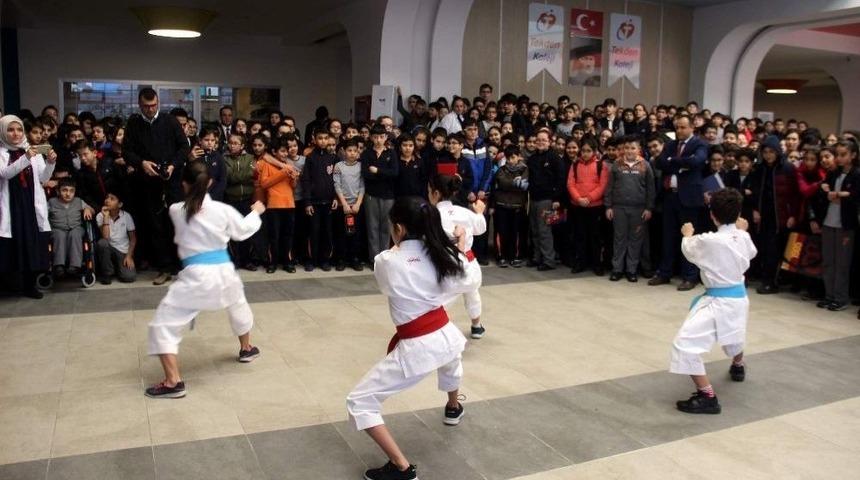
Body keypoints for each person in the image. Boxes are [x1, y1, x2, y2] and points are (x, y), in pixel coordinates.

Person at [346, 196, 481, 480]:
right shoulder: (446, 255)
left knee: (359, 401)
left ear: (398, 228)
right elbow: (466, 282)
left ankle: (401, 467)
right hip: (445, 333)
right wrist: (458, 245)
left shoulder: (387, 260)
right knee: (451, 362)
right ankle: (453, 406)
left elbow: (387, 282)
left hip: (419, 345)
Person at [144, 161, 265, 399]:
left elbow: (191, 206)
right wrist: (256, 211)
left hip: (197, 277)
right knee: (237, 304)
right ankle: (247, 348)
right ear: (210, 182)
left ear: (184, 184)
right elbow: (241, 231)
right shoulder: (222, 210)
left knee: (162, 326)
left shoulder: (175, 210)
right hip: (224, 272)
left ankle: (173, 382)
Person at [671, 188, 757, 414]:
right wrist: (741, 230)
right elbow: (751, 253)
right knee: (734, 332)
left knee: (685, 344)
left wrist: (687, 233)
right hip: (739, 296)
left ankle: (707, 395)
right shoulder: (743, 235)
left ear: (712, 214)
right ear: (738, 213)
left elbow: (688, 249)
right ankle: (738, 365)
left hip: (718, 300)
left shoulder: (709, 240)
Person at [123, 88, 190, 285]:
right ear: (139, 104)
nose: (151, 109)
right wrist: (142, 163)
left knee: (177, 225)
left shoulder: (170, 121)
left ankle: (183, 267)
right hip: (148, 185)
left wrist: (172, 165)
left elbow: (184, 147)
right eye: (146, 106)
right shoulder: (134, 123)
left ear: (158, 102)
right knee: (156, 228)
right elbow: (127, 151)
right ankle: (164, 268)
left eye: (153, 105)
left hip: (172, 183)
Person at [649, 116, 709, 291]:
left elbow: (697, 162)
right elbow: (660, 162)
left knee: (689, 238)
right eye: (677, 128)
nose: (679, 131)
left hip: (689, 198)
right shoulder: (672, 145)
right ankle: (664, 273)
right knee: (668, 237)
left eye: (683, 127)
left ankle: (690, 276)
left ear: (692, 127)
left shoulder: (699, 144)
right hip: (670, 197)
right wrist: (681, 164)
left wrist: (672, 162)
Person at [0, 115, 56, 299]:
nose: (15, 134)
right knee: (12, 244)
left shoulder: (32, 151)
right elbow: (6, 173)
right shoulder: (2, 152)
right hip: (11, 204)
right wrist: (25, 158)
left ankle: (30, 285)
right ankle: (12, 284)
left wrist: (50, 162)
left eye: (18, 129)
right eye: (10, 129)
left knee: (32, 243)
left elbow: (43, 179)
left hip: (30, 204)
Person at [429, 174, 487, 339]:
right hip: (470, 266)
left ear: (436, 193)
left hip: (448, 267)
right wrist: (479, 212)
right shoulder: (464, 212)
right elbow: (480, 228)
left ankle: (434, 327)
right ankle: (476, 326)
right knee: (472, 292)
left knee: (441, 300)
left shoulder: (432, 214)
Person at [750, 135, 798, 294]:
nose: (768, 155)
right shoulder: (759, 169)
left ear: (778, 151)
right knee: (763, 248)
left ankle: (771, 281)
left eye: (771, 151)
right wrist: (755, 209)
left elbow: (794, 194)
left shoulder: (788, 168)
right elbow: (756, 192)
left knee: (775, 249)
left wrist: (793, 214)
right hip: (763, 214)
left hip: (781, 215)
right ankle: (765, 278)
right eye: (765, 152)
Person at [604, 135, 655, 282]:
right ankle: (617, 269)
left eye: (633, 148)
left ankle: (631, 270)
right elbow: (609, 187)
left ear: (639, 149)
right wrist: (608, 206)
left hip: (639, 210)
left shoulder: (645, 165)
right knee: (619, 239)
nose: (630, 151)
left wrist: (649, 208)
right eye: (627, 148)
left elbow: (651, 189)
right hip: (619, 208)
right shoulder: (616, 164)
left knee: (635, 240)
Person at [817, 140, 859, 311]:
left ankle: (840, 297)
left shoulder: (856, 174)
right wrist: (825, 188)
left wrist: (843, 195)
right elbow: (823, 191)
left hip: (845, 224)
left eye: (844, 155)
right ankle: (829, 295)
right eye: (838, 155)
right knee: (828, 261)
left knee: (842, 263)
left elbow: (855, 196)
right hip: (829, 221)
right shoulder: (834, 173)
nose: (839, 159)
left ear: (853, 156)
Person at [568, 136, 609, 274]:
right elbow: (570, 184)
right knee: (580, 235)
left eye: (588, 151)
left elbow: (602, 186)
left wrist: (589, 198)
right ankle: (581, 262)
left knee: (595, 237)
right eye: (583, 150)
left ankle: (596, 263)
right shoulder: (574, 165)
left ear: (594, 151)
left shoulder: (600, 165)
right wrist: (579, 199)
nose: (585, 153)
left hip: (595, 207)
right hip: (578, 206)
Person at [527, 130, 567, 270]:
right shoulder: (532, 158)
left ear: (550, 142)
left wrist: (557, 199)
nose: (540, 142)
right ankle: (537, 257)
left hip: (547, 200)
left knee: (545, 231)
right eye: (538, 139)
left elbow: (561, 180)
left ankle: (548, 260)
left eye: (544, 140)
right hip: (533, 199)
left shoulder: (555, 158)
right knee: (535, 230)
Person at [259, 136, 299, 273]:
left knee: (288, 235)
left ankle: (287, 262)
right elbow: (264, 184)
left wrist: (294, 179)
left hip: (289, 204)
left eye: (286, 151)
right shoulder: (267, 165)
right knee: (273, 236)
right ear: (274, 152)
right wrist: (283, 172)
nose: (285, 154)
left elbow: (293, 186)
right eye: (282, 151)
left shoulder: (289, 164)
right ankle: (272, 262)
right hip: (273, 205)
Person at [301, 129, 338, 271]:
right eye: (320, 138)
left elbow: (337, 180)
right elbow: (306, 180)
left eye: (325, 138)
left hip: (329, 202)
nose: (323, 141)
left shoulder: (333, 158)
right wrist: (307, 202)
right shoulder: (310, 157)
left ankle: (325, 260)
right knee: (313, 232)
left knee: (327, 232)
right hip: (314, 203)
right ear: (315, 139)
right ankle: (312, 260)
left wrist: (335, 197)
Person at [362, 124, 400, 264]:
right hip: (371, 194)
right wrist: (384, 174)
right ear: (371, 137)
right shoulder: (367, 154)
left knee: (386, 228)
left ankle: (384, 259)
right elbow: (366, 174)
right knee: (372, 227)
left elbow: (394, 173)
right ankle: (374, 259)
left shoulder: (391, 153)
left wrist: (377, 171)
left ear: (386, 137)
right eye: (376, 137)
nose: (378, 140)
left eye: (381, 137)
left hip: (388, 195)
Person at [224, 133, 261, 271]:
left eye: (235, 143)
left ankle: (247, 261)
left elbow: (254, 174)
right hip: (231, 200)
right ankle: (234, 261)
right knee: (232, 233)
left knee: (247, 231)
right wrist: (247, 174)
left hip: (246, 200)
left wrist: (247, 174)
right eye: (230, 142)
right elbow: (230, 177)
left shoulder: (250, 158)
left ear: (242, 145)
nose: (232, 145)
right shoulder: (224, 158)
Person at [47, 177, 95, 278]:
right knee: (59, 235)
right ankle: (59, 265)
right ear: (58, 191)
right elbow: (42, 215)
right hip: (57, 229)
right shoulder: (51, 202)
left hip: (76, 228)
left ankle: (75, 265)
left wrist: (87, 209)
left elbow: (93, 210)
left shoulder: (78, 201)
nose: (68, 194)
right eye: (64, 190)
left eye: (71, 191)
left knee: (75, 234)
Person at [493, 145, 529, 268]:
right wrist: (515, 182)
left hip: (518, 205)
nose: (510, 160)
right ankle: (501, 256)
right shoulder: (501, 169)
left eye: (513, 157)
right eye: (508, 158)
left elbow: (525, 184)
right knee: (502, 231)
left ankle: (515, 256)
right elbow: (502, 182)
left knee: (516, 233)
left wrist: (519, 183)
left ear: (519, 156)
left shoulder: (524, 169)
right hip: (501, 204)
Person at [333, 138, 366, 271]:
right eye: (349, 150)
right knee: (341, 234)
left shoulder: (361, 166)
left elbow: (363, 186)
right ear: (344, 151)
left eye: (355, 151)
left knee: (356, 234)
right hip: (343, 206)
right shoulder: (339, 166)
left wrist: (358, 203)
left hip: (357, 205)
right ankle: (341, 259)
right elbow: (337, 185)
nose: (352, 153)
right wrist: (344, 204)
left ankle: (355, 259)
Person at [95, 191, 137, 284]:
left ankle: (118, 268)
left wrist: (129, 256)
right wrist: (106, 217)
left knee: (129, 277)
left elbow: (133, 239)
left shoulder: (126, 216)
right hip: (108, 248)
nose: (107, 201)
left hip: (122, 250)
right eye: (107, 198)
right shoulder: (100, 216)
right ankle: (107, 273)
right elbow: (105, 237)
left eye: (112, 199)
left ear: (120, 204)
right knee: (102, 243)